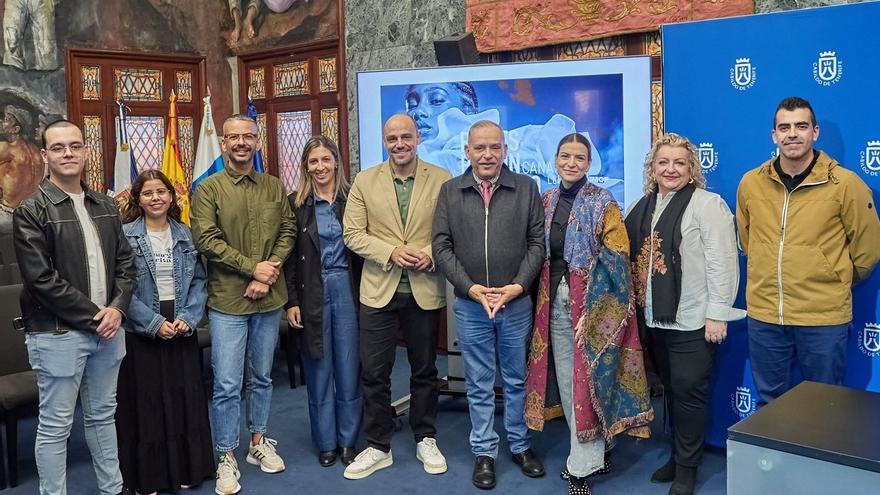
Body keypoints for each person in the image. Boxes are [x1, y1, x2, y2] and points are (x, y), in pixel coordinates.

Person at [524, 133, 653, 495]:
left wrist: (595, 305)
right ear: (555, 159)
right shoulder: (546, 199)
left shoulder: (603, 201)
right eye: (565, 156)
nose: (571, 163)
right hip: (552, 301)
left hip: (593, 307)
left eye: (579, 158)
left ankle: (581, 467)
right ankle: (598, 449)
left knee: (588, 381)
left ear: (589, 163)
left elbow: (617, 256)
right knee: (569, 381)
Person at [12, 119, 134, 495]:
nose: (68, 153)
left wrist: (117, 309)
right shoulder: (31, 209)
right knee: (56, 426)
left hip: (109, 331)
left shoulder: (105, 205)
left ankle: (113, 490)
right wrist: (96, 317)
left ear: (85, 151)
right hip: (58, 334)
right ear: (45, 155)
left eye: (75, 146)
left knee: (103, 417)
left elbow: (126, 265)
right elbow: (41, 279)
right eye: (59, 147)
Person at [737, 97, 880, 407]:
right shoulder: (751, 183)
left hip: (822, 317)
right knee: (769, 407)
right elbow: (748, 241)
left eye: (801, 126)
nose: (792, 134)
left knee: (824, 407)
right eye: (784, 127)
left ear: (815, 132)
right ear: (774, 135)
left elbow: (867, 250)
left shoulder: (845, 184)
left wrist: (831, 277)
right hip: (765, 316)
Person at [625, 133, 746, 495]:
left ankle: (688, 469)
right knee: (672, 393)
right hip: (653, 320)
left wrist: (718, 313)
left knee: (689, 395)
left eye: (680, 163)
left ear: (692, 168)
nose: (671, 169)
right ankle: (678, 456)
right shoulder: (642, 206)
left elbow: (723, 262)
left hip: (693, 320)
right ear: (652, 168)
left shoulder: (708, 205)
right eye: (663, 162)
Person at [432, 120, 545, 490]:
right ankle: (484, 451)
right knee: (479, 382)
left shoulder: (526, 188)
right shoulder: (450, 191)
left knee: (515, 379)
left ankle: (520, 444)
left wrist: (517, 286)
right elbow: (441, 247)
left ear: (505, 150)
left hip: (516, 303)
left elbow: (537, 244)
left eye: (494, 147)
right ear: (467, 151)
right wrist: (471, 289)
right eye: (479, 147)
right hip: (471, 305)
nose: (487, 154)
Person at [342, 113, 451, 480]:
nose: (399, 144)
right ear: (384, 141)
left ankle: (425, 437)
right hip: (378, 291)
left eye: (406, 137)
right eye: (392, 139)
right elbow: (352, 233)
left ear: (418, 137)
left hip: (424, 289)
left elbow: (448, 231)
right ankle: (378, 445)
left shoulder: (442, 178)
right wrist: (390, 251)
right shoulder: (364, 180)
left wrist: (430, 254)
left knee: (425, 370)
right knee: (374, 373)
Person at [190, 114, 295, 495]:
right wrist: (253, 268)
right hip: (228, 302)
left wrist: (267, 274)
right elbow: (206, 239)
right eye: (233, 137)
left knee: (262, 377)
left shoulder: (274, 185)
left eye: (247, 136)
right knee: (227, 384)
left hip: (269, 299)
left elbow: (288, 230)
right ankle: (226, 455)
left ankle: (258, 442)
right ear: (223, 143)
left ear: (257, 142)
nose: (240, 143)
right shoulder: (208, 189)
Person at [115, 170, 214, 494]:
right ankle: (151, 477)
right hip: (142, 330)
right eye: (148, 193)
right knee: (148, 404)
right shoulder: (125, 235)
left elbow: (199, 282)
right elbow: (122, 287)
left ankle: (187, 468)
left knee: (185, 398)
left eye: (161, 191)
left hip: (181, 327)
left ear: (172, 196)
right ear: (138, 199)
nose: (155, 198)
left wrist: (189, 317)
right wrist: (153, 324)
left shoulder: (186, 234)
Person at [284, 136, 363, 467]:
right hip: (311, 291)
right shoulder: (295, 204)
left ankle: (348, 440)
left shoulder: (352, 198)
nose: (320, 167)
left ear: (336, 162)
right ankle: (326, 442)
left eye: (325, 160)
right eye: (313, 161)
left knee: (348, 366)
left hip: (347, 288)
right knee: (318, 368)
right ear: (306, 166)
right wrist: (291, 301)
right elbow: (287, 257)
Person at [0, 105, 44, 233]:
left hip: (7, 215)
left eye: (6, 120)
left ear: (15, 129)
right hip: (32, 216)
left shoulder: (7, 148)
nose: (1, 121)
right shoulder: (36, 151)